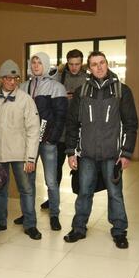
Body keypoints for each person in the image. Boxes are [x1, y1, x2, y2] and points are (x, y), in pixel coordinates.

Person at [63, 51, 138, 249]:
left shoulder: (122, 91)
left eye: (102, 63)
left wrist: (126, 152)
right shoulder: (81, 92)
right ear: (89, 68)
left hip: (112, 155)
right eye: (94, 64)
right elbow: (71, 124)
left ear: (107, 64)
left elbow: (131, 124)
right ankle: (79, 228)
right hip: (86, 154)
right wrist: (71, 152)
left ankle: (119, 231)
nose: (99, 67)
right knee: (84, 192)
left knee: (115, 194)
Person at [0, 60, 42, 240]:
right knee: (0, 190)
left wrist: (31, 158)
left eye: (15, 78)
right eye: (8, 78)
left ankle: (30, 224)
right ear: (0, 79)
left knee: (26, 189)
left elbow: (33, 130)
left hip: (20, 154)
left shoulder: (26, 100)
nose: (12, 82)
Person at [19, 52, 67, 230]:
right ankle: (27, 214)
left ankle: (54, 214)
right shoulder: (23, 87)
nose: (36, 65)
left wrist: (51, 140)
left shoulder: (56, 87)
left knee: (51, 181)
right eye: (33, 62)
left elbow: (60, 117)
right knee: (27, 182)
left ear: (46, 65)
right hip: (28, 143)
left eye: (39, 62)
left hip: (47, 143)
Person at [53, 49, 87, 197]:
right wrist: (61, 97)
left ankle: (81, 199)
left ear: (82, 63)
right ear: (67, 63)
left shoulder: (88, 79)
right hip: (61, 131)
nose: (74, 67)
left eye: (77, 64)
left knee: (80, 168)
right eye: (71, 64)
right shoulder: (58, 77)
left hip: (79, 132)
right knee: (56, 168)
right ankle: (53, 199)